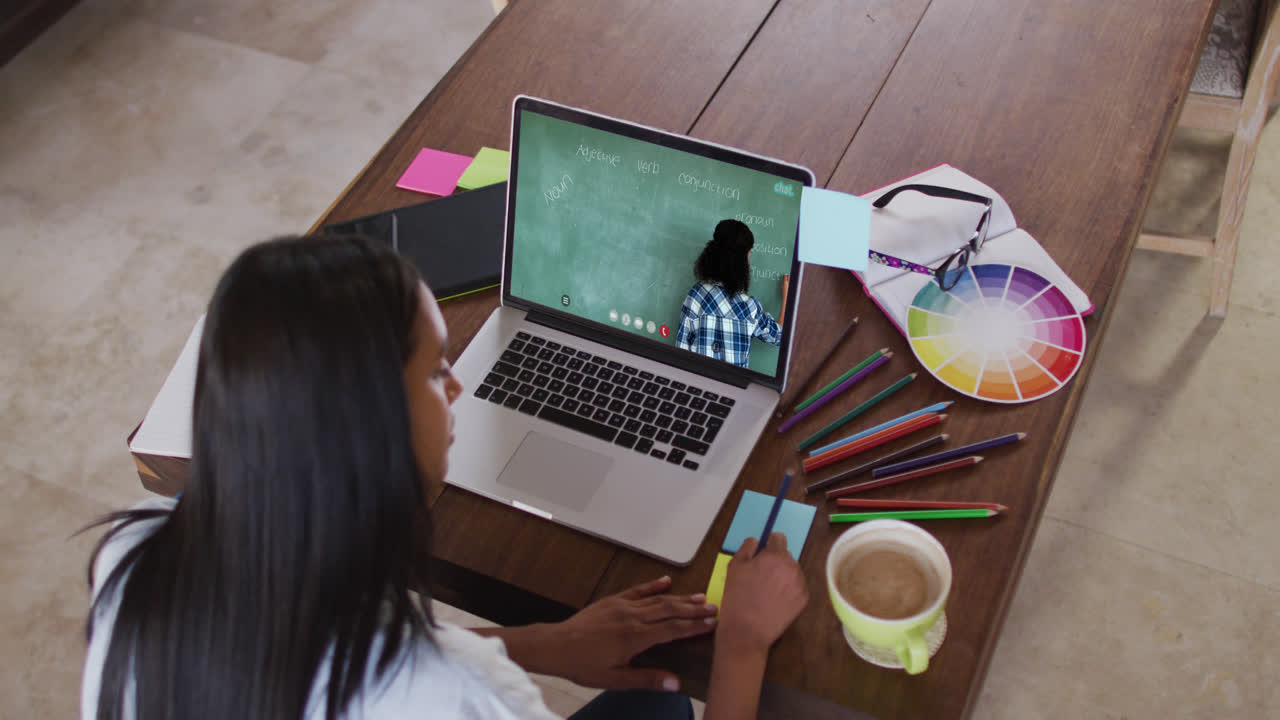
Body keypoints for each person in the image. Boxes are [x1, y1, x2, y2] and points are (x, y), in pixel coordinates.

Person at [82, 234, 808, 720]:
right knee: (669, 701)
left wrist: (544, 645)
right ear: (371, 430)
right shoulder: (452, 700)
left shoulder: (135, 557)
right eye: (435, 370)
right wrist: (742, 644)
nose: (458, 385)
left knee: (650, 702)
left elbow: (331, 655)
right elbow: (419, 680)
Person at [676, 219, 789, 368]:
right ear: (741, 261)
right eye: (748, 254)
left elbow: (680, 351)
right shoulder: (749, 308)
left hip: (696, 383)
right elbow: (780, 336)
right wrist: (787, 297)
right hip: (732, 389)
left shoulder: (697, 295)